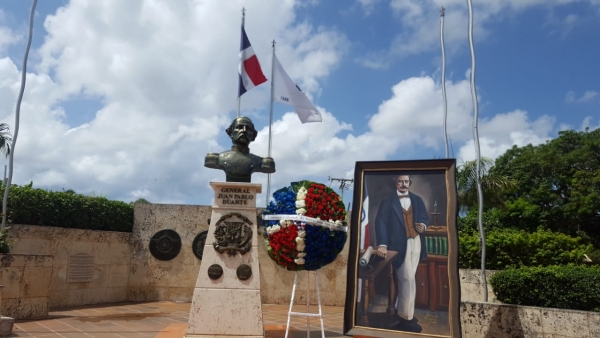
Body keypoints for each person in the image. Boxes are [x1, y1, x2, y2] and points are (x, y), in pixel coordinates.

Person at [374, 174, 428, 333]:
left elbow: (425, 217)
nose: (403, 184)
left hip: (416, 242)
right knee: (408, 279)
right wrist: (382, 244)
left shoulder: (417, 200)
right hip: (398, 245)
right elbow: (381, 222)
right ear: (396, 184)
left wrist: (423, 226)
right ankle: (407, 318)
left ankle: (400, 309)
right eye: (400, 181)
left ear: (410, 183)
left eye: (406, 181)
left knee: (409, 277)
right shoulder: (388, 201)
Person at [205, 116, 275, 182]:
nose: (244, 131)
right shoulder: (216, 158)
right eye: (239, 127)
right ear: (231, 133)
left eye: (248, 129)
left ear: (253, 136)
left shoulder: (262, 162)